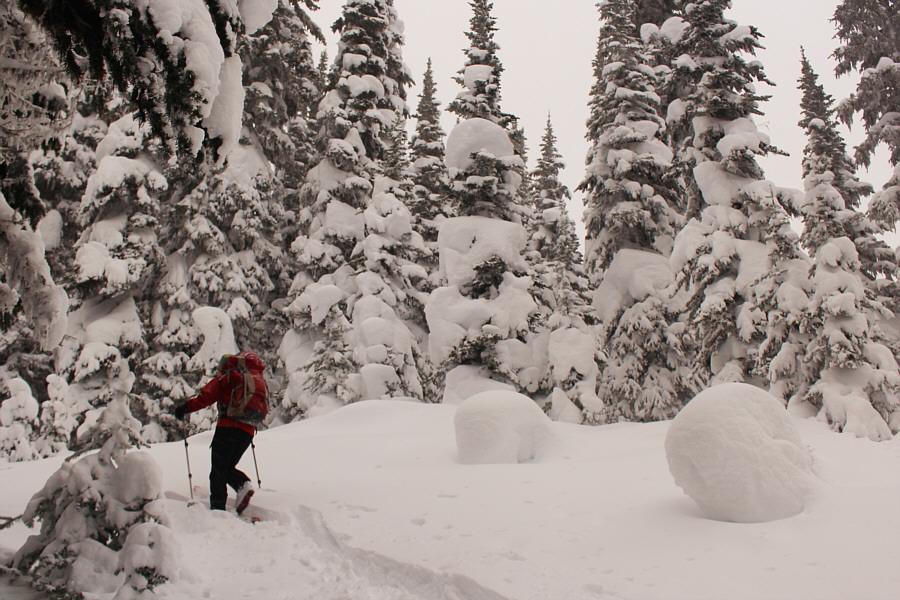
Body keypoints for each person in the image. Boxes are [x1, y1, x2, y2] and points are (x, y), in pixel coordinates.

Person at [173, 352, 266, 513]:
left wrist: (184, 408)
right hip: (248, 431)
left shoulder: (226, 377)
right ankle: (242, 485)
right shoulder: (251, 377)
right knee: (226, 468)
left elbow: (205, 398)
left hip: (227, 428)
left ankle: (218, 509)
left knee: (218, 471)